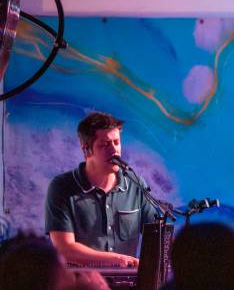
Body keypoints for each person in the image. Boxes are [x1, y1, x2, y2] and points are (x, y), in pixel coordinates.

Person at [45, 112, 157, 267]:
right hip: (82, 286)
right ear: (86, 150)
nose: (114, 151)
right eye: (105, 144)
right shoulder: (62, 187)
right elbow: (64, 248)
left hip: (129, 286)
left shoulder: (136, 184)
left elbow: (157, 236)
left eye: (117, 142)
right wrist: (117, 260)